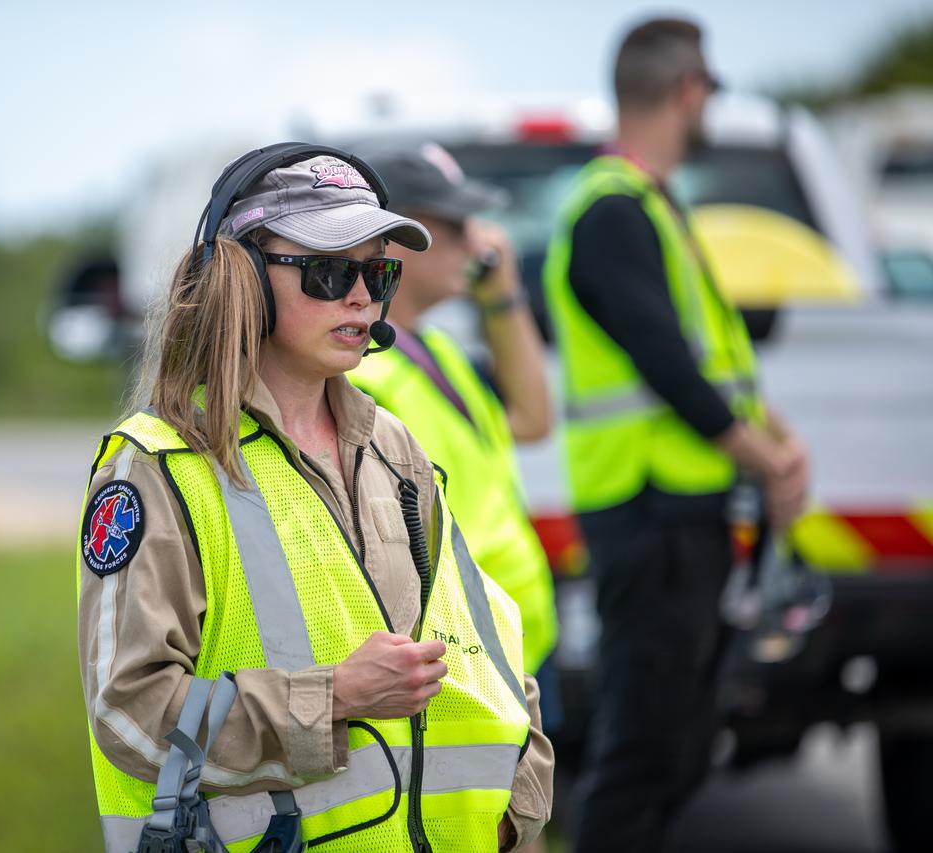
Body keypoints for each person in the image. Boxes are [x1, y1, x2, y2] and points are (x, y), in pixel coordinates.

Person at [77, 144, 553, 853]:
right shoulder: (157, 468)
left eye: (378, 271)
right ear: (245, 281)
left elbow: (495, 656)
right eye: (331, 272)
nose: (363, 297)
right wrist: (335, 697)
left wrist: (521, 812)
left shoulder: (397, 451)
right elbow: (130, 712)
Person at [542, 18, 811, 853]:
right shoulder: (612, 213)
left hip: (678, 510)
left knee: (682, 746)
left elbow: (711, 358)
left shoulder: (652, 207)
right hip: (646, 510)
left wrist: (777, 436)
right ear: (688, 91)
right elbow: (665, 361)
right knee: (647, 751)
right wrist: (768, 459)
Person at [346, 141, 559, 692]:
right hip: (465, 666)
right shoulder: (363, 377)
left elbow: (534, 420)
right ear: (393, 239)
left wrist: (503, 294)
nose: (480, 242)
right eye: (456, 224)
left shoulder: (436, 349)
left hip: (516, 648)